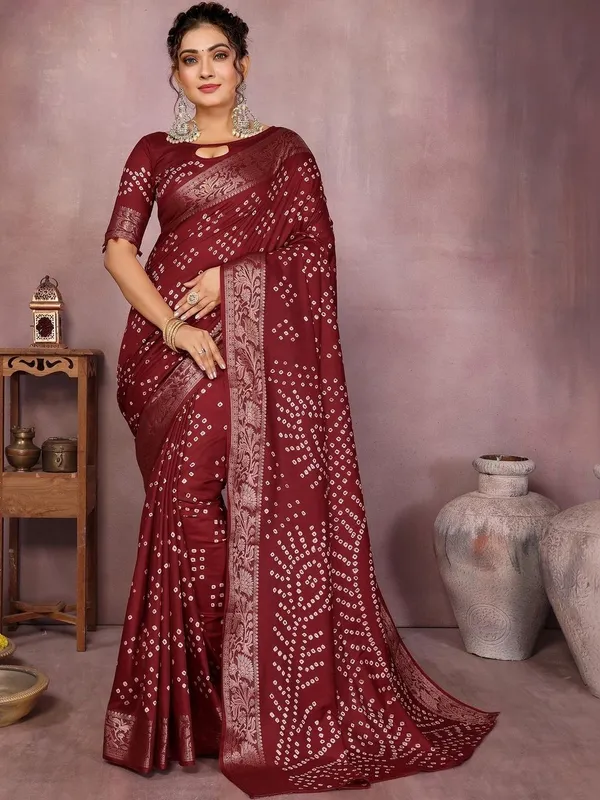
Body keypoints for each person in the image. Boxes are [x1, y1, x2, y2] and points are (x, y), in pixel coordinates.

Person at [102, 3, 497, 796]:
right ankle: (216, 703)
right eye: (190, 58)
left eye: (219, 54)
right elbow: (119, 250)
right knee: (181, 508)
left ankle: (246, 695)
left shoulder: (284, 154)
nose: (206, 69)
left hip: (248, 356)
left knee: (205, 504)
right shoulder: (153, 152)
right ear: (175, 73)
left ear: (243, 64)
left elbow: (314, 255)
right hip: (167, 355)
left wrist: (231, 280)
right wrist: (175, 329)